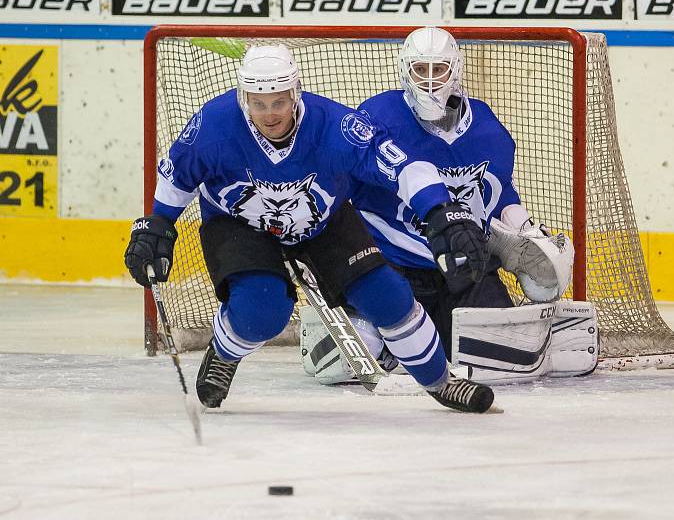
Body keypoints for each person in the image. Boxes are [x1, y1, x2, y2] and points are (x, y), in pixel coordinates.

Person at [123, 44, 497, 413]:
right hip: (239, 223)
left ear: (295, 93)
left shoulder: (336, 126)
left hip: (324, 221)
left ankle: (440, 381)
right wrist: (157, 224)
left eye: (279, 102)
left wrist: (439, 210)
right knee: (262, 310)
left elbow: (405, 167)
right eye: (258, 103)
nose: (269, 114)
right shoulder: (214, 124)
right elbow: (178, 174)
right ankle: (224, 352)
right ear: (243, 98)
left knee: (388, 297)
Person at [302, 27, 598, 386]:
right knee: (346, 360)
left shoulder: (486, 129)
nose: (429, 81)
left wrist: (522, 227)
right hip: (393, 267)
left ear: (455, 69)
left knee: (501, 358)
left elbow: (498, 191)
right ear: (404, 71)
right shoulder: (378, 118)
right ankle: (371, 326)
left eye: (438, 69)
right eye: (420, 70)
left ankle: (517, 331)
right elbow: (344, 183)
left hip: (464, 267)